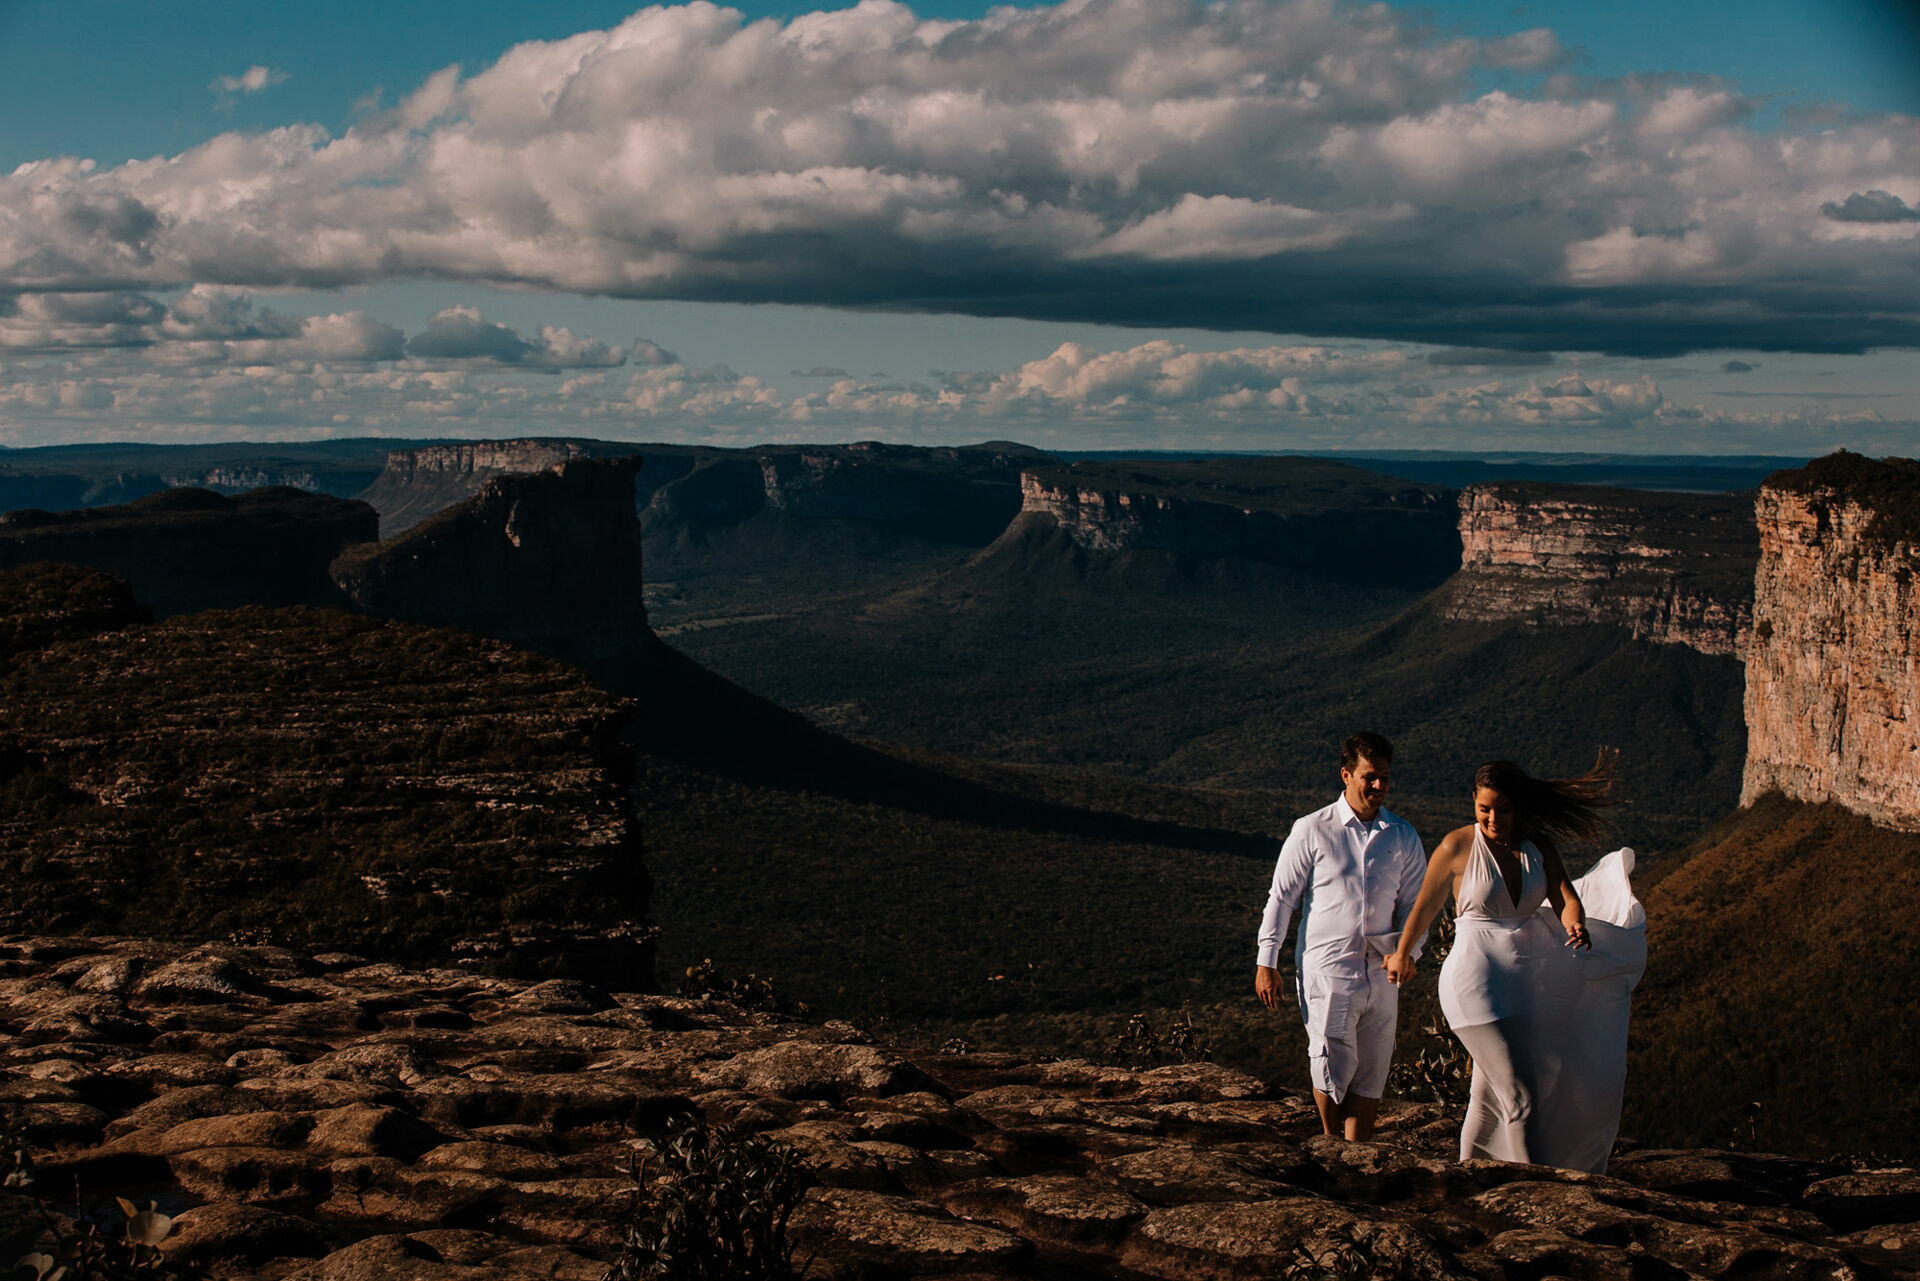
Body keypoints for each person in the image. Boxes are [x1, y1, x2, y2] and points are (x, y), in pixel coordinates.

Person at [1385, 753, 1645, 1172]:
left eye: (1502, 809)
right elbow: (1425, 906)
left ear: (1518, 806)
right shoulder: (1458, 846)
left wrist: (1575, 924)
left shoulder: (1538, 848)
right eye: (1483, 808)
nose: (1492, 818)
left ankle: (1468, 1180)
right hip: (1473, 983)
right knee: (1523, 1097)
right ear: (1473, 802)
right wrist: (1401, 953)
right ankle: (1542, 1195)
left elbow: (1564, 897)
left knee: (1488, 1098)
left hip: (1526, 986)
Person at [1255, 731, 1427, 1141]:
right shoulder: (1313, 829)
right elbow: (1282, 897)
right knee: (1330, 1061)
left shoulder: (1402, 835)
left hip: (1383, 972)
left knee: (1372, 1070)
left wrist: (1408, 953)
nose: (1379, 786)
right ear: (1346, 775)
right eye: (1370, 776)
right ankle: (1332, 1145)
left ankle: (1358, 1155)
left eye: (1384, 776)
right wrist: (1267, 960)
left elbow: (1417, 906)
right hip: (1328, 970)